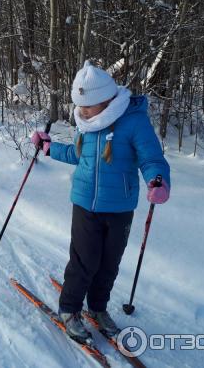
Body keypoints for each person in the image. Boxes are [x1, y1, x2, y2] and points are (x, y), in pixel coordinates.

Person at [31, 60, 170, 343]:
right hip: (84, 203)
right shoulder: (86, 122)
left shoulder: (133, 120)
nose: (81, 111)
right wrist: (48, 148)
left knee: (109, 263)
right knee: (84, 260)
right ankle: (69, 309)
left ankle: (97, 306)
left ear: (107, 99)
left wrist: (158, 180)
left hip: (120, 206)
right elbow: (78, 155)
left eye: (88, 105)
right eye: (79, 105)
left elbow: (151, 158)